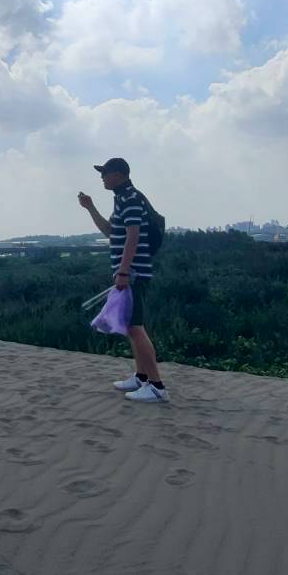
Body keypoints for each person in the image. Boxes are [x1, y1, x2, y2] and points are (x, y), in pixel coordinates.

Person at [78, 156, 168, 403]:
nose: (102, 178)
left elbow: (133, 236)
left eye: (105, 173)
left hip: (134, 274)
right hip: (130, 273)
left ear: (119, 174)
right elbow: (110, 231)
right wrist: (90, 207)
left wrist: (124, 271)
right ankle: (141, 377)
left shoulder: (130, 198)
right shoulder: (122, 199)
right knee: (130, 326)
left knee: (136, 328)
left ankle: (157, 387)